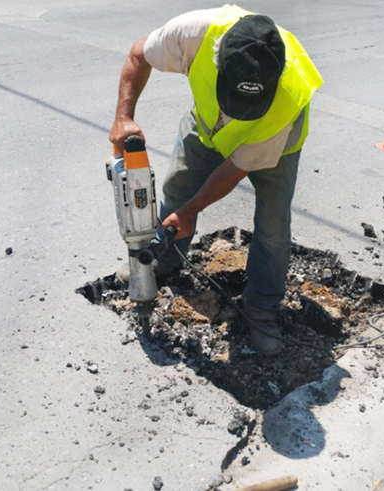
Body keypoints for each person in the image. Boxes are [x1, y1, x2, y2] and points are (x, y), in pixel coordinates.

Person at [109, 4, 323, 356]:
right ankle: (164, 260)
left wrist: (191, 211)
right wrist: (123, 118)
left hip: (277, 144)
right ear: (218, 59)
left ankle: (261, 309)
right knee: (177, 188)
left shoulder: (286, 98)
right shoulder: (194, 34)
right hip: (207, 126)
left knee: (272, 225)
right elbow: (138, 54)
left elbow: (235, 169)